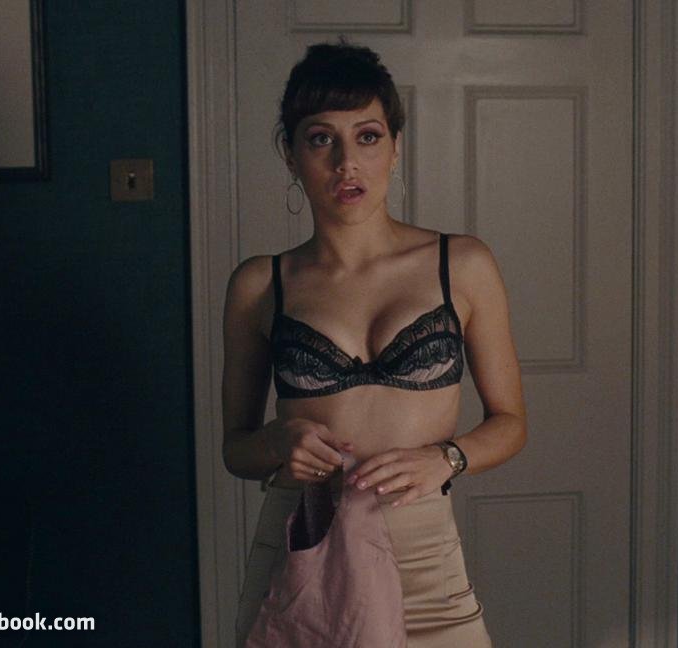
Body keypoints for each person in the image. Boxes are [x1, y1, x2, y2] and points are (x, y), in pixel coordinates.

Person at [220, 39, 527, 648]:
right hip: (301, 553)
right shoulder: (260, 283)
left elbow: (511, 423)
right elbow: (236, 449)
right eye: (320, 139)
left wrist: (448, 457)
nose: (346, 163)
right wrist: (277, 442)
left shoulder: (462, 264)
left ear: (395, 147)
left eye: (367, 136)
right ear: (290, 155)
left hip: (425, 560)